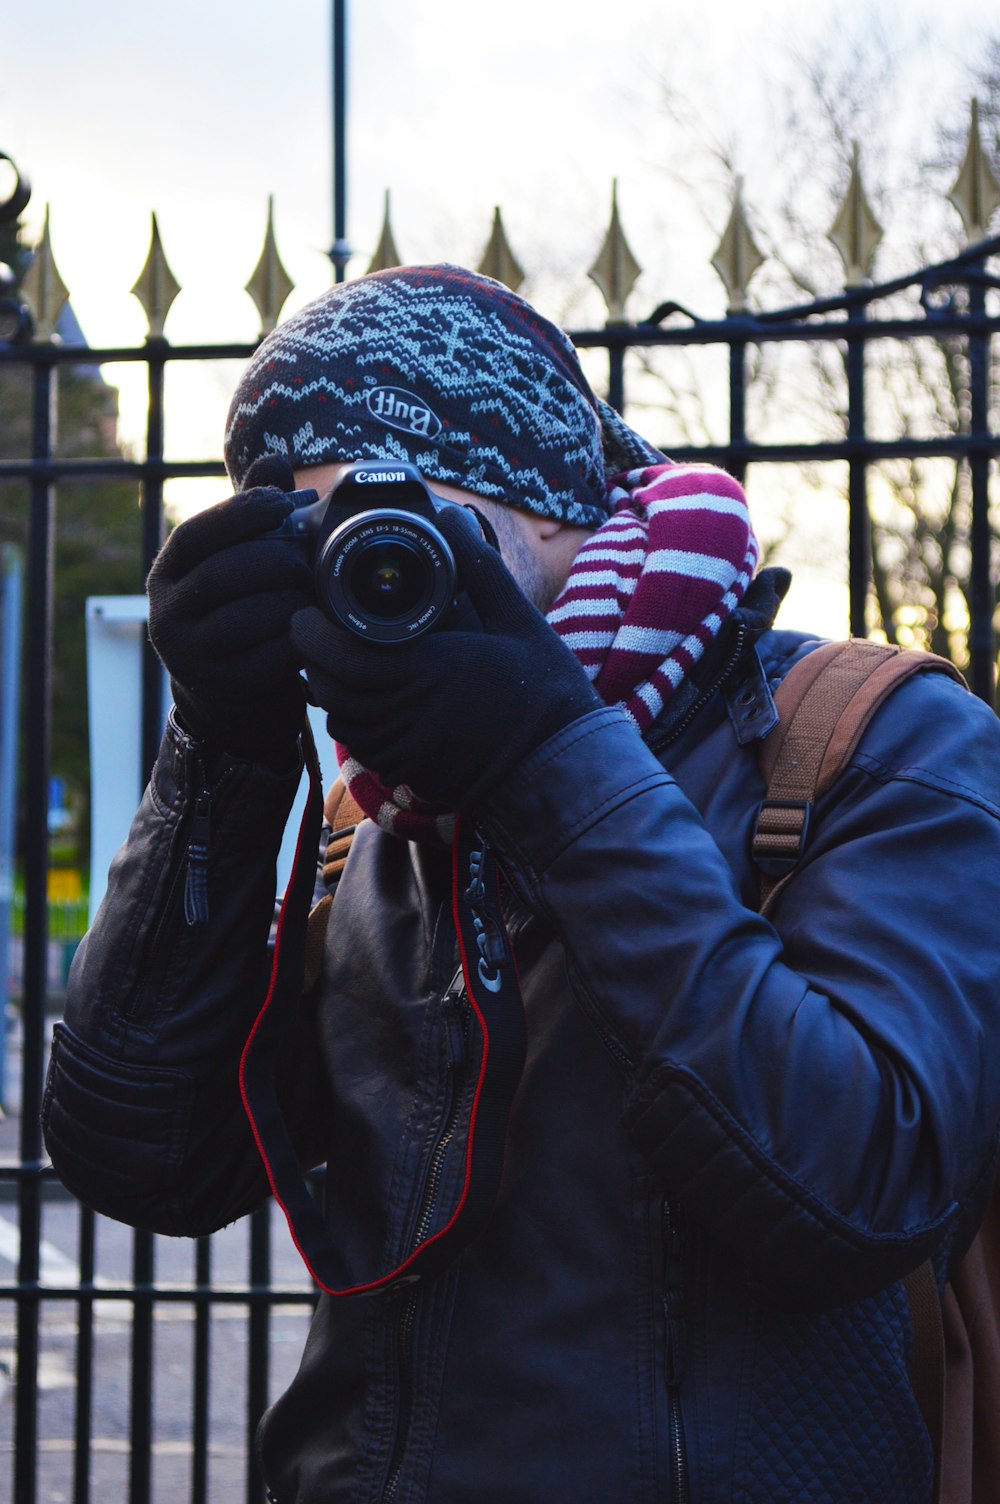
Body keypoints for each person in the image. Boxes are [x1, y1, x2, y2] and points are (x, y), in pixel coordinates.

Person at [43, 264, 1000, 1504]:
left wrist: (546, 758)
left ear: (557, 512)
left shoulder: (880, 745)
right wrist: (216, 760)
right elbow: (143, 1165)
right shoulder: (368, 821)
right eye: (309, 540)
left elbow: (849, 1191)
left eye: (398, 525)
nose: (360, 577)